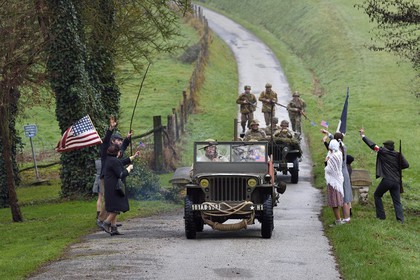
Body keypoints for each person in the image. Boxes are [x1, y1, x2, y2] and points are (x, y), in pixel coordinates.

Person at [359, 128, 409, 223]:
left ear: (386, 146)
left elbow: (372, 145)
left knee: (377, 195)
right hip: (397, 181)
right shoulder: (398, 154)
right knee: (397, 201)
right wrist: (397, 168)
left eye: (384, 145)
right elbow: (406, 165)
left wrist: (363, 136)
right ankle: (400, 220)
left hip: (387, 180)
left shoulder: (382, 151)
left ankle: (381, 217)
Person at [97, 116, 133, 228]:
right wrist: (111, 128)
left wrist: (127, 139)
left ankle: (113, 224)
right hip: (106, 177)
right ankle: (102, 220)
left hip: (114, 177)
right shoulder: (106, 150)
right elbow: (106, 140)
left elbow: (122, 149)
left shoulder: (115, 151)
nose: (120, 143)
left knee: (113, 199)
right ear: (112, 141)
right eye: (119, 140)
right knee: (109, 200)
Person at [101, 145, 135, 235]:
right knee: (118, 207)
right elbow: (121, 174)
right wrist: (129, 169)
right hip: (115, 188)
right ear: (118, 152)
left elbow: (120, 163)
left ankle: (114, 228)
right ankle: (106, 223)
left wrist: (132, 158)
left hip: (110, 187)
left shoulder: (109, 159)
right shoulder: (114, 161)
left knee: (114, 207)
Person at [321, 129, 352, 223]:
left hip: (338, 174)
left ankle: (345, 219)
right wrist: (328, 133)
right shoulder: (343, 147)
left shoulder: (335, 152)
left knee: (344, 197)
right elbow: (336, 140)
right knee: (345, 197)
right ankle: (346, 218)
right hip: (344, 173)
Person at [325, 139, 345, 227]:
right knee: (338, 200)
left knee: (335, 202)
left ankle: (338, 220)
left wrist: (326, 161)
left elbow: (329, 170)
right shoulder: (339, 153)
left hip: (333, 182)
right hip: (339, 179)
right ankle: (339, 219)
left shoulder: (333, 157)